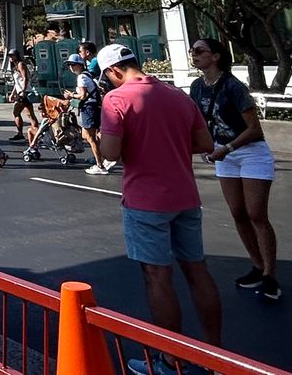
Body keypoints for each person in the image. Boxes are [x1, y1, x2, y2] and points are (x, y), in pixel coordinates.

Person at [97, 43, 222, 375]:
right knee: (198, 272)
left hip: (146, 202)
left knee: (158, 278)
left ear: (113, 71)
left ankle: (171, 361)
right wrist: (169, 142)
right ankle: (217, 356)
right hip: (185, 197)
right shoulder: (177, 95)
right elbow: (205, 143)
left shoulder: (116, 99)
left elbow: (110, 152)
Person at [189, 37, 280, 301]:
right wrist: (205, 145)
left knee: (256, 214)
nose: (194, 54)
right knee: (238, 213)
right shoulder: (197, 86)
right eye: (192, 51)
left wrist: (227, 148)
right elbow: (198, 121)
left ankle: (270, 275)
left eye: (200, 51)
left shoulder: (233, 86)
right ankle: (257, 266)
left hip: (250, 153)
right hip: (224, 154)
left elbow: (254, 129)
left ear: (216, 56)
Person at [62, 53, 112, 175]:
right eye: (69, 65)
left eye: (73, 65)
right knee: (89, 135)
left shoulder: (81, 77)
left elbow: (83, 95)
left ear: (80, 65)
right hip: (94, 107)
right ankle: (104, 158)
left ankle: (100, 165)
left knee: (90, 137)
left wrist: (71, 95)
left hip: (88, 108)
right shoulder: (87, 74)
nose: (71, 67)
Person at [7, 50, 40, 142]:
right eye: (9, 55)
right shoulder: (16, 66)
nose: (10, 57)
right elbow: (17, 83)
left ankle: (21, 134)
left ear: (16, 55)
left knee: (16, 112)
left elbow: (25, 78)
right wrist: (13, 93)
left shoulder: (21, 64)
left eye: (12, 55)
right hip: (21, 91)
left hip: (24, 92)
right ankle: (37, 133)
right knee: (30, 114)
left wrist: (23, 91)